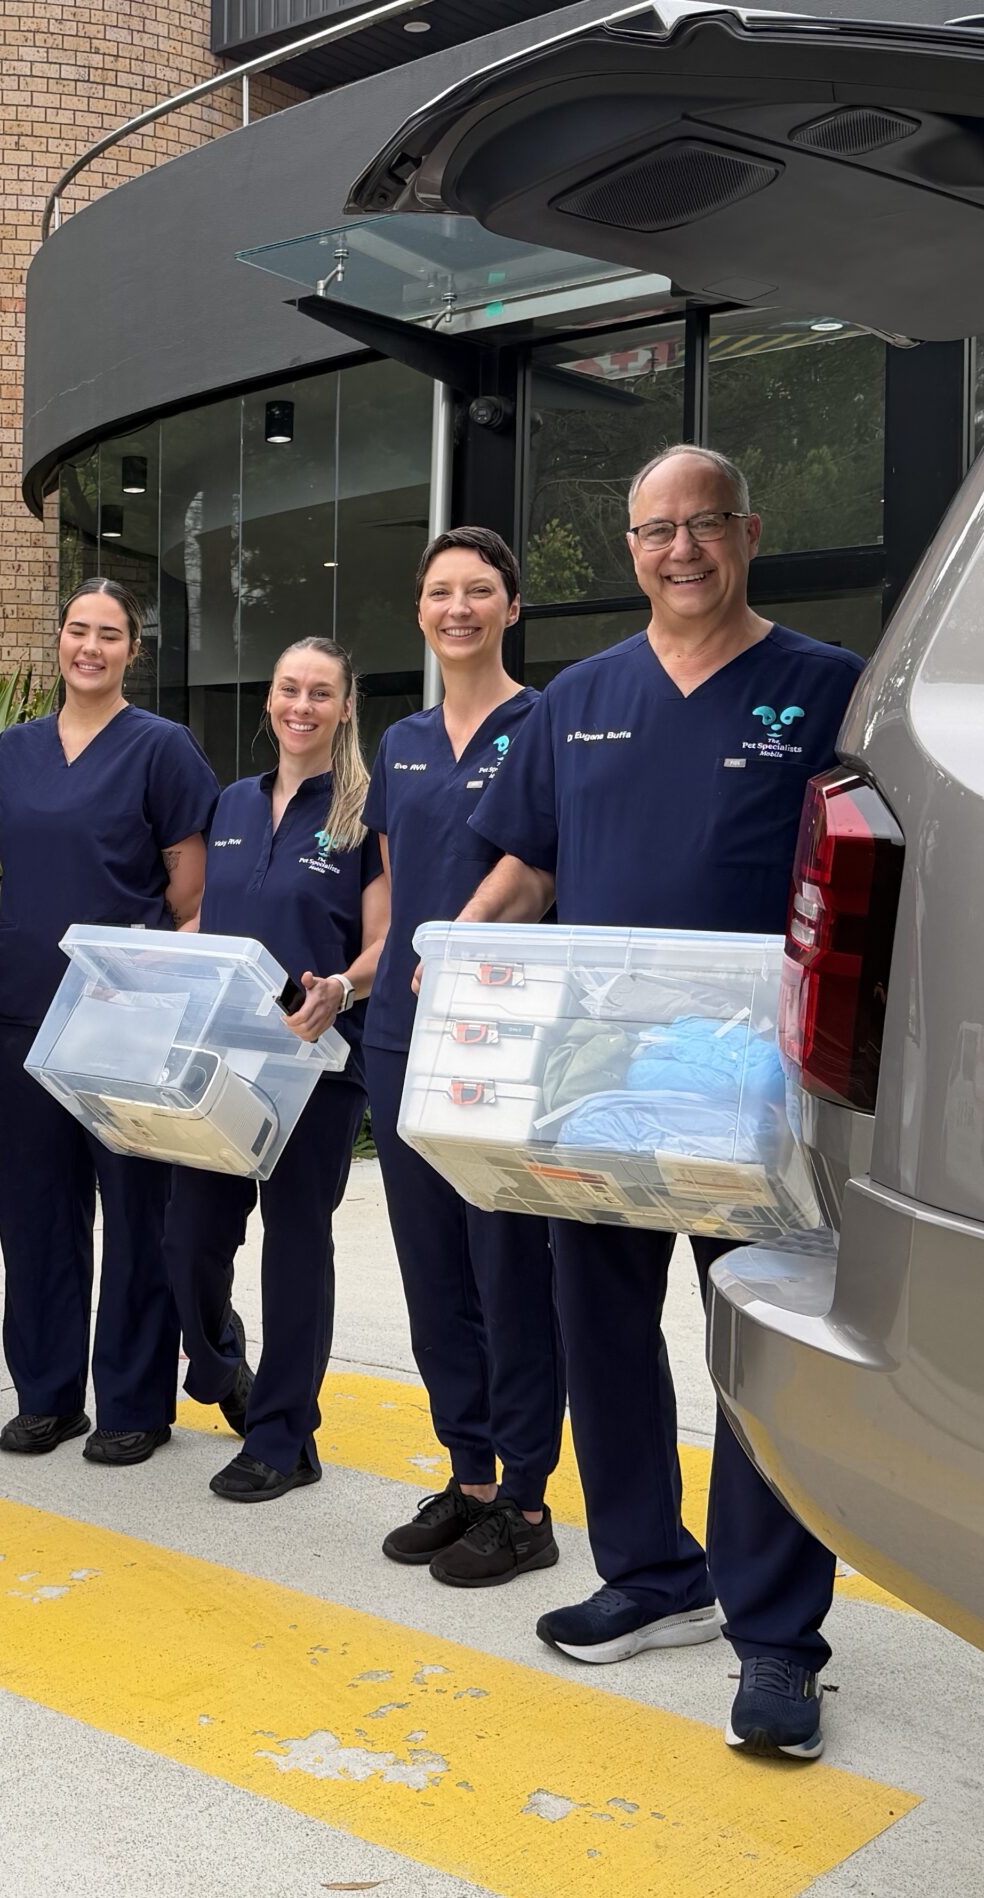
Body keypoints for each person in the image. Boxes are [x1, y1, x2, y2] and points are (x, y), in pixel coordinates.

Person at [462, 446, 864, 1760]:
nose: (681, 549)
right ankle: (649, 1574)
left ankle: (778, 1639)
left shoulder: (827, 692)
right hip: (601, 1090)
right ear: (629, 548)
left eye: (704, 524)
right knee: (603, 1332)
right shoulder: (578, 699)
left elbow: (872, 880)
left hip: (756, 1096)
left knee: (758, 1349)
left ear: (748, 530)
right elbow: (528, 868)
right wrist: (454, 969)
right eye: (654, 530)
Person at [361, 528, 565, 1588]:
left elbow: (540, 868)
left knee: (505, 1266)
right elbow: (394, 890)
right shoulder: (396, 743)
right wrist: (358, 980)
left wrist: (465, 952)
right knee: (433, 1267)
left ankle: (529, 1496)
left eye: (478, 590)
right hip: (401, 1038)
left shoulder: (545, 727)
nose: (457, 608)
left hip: (500, 1034)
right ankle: (470, 1472)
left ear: (511, 608)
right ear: (421, 610)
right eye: (439, 591)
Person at [0, 579, 217, 1466]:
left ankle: (132, 1402)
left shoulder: (163, 750)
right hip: (23, 1013)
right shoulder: (13, 751)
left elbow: (191, 901)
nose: (90, 647)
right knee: (36, 1215)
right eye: (78, 630)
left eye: (109, 635)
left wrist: (144, 983)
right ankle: (46, 1396)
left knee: (134, 1209)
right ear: (59, 641)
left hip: (125, 1016)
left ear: (132, 650)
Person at [167, 637, 389, 1503]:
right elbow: (211, 920)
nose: (303, 705)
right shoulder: (229, 804)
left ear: (344, 708)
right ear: (269, 700)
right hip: (224, 1061)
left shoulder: (363, 816)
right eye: (289, 688)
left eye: (321, 693)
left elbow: (382, 940)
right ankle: (223, 1368)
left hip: (317, 1066)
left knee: (296, 1248)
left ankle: (285, 1438)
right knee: (188, 1244)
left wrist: (340, 985)